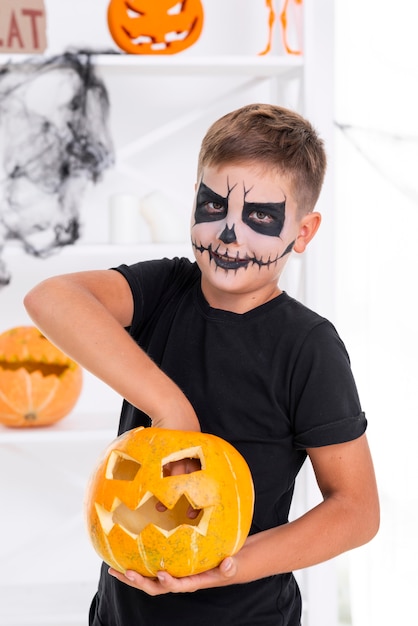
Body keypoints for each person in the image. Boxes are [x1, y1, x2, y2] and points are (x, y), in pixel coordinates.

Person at [24, 103, 379, 626]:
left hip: (246, 613)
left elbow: (356, 511)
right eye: (214, 207)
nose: (228, 234)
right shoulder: (163, 289)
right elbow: (50, 297)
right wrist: (170, 409)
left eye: (259, 216)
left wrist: (229, 567)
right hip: (122, 614)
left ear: (303, 232)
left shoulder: (309, 347)